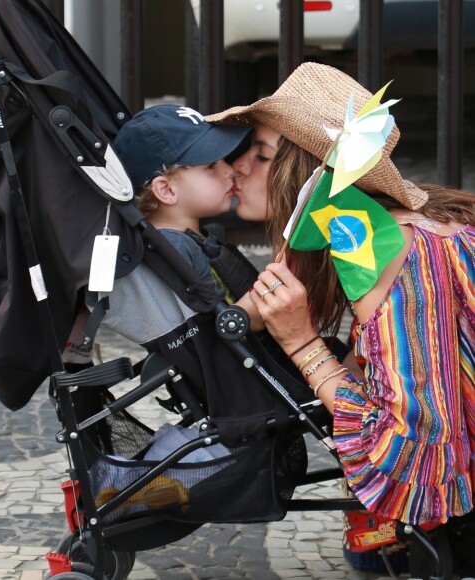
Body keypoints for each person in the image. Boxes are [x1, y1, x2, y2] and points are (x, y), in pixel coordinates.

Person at [209, 61, 475, 527]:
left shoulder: (381, 250)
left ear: (306, 174)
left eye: (262, 154)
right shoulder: (369, 225)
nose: (238, 167)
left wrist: (302, 345)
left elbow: (412, 448)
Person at [112, 103, 264, 323]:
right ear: (166, 190)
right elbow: (212, 328)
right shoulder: (174, 248)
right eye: (211, 165)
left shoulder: (192, 237)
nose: (230, 170)